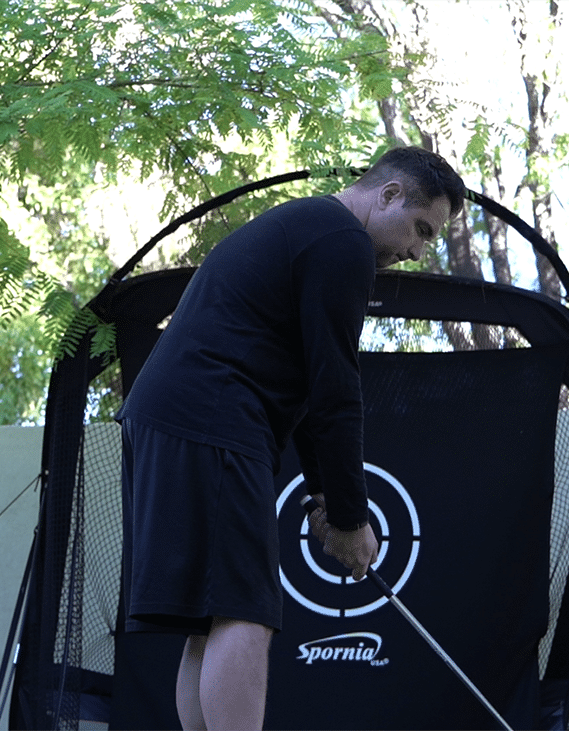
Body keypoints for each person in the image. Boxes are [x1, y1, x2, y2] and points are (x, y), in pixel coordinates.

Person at [117, 146, 466, 730]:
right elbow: (336, 387)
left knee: (212, 616)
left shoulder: (313, 227)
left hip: (171, 419)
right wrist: (353, 519)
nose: (414, 251)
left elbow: (306, 387)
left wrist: (326, 500)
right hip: (213, 417)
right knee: (241, 611)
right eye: (420, 229)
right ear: (387, 194)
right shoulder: (342, 241)